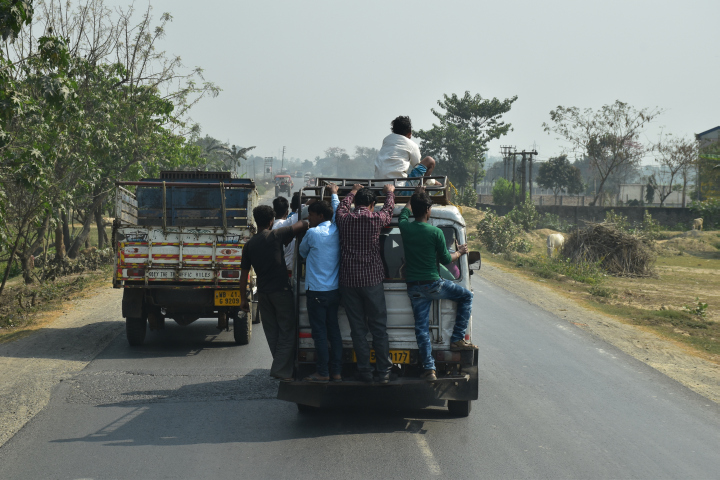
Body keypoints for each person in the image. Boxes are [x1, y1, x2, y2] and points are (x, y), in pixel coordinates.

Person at [398, 186, 477, 382]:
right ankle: (457, 338)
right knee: (467, 296)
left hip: (414, 288)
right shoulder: (435, 232)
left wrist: (414, 197)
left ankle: (429, 368)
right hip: (433, 284)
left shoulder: (405, 227)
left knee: (421, 329)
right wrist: (460, 252)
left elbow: (404, 213)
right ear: (427, 210)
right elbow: (445, 259)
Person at [240, 205, 308, 382]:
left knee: (272, 333)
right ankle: (281, 369)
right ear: (271, 221)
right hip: (281, 292)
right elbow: (301, 224)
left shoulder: (249, 246)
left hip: (263, 294)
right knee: (287, 330)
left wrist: (243, 299)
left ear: (256, 221)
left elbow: (243, 275)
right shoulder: (276, 235)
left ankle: (283, 367)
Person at [336, 183, 395, 384]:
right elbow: (389, 211)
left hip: (349, 281)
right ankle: (384, 371)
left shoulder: (344, 219)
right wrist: (390, 193)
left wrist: (351, 191)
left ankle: (365, 371)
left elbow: (341, 207)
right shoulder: (376, 219)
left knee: (358, 329)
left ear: (356, 203)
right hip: (372, 281)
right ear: (371, 204)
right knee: (378, 327)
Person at [298, 184, 341, 383]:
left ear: (320, 216)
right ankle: (337, 372)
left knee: (320, 334)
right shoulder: (337, 230)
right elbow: (338, 210)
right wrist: (334, 195)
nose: (309, 219)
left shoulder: (312, 234)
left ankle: (322, 372)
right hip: (334, 291)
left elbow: (302, 253)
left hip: (316, 291)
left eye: (312, 215)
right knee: (334, 331)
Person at [375, 115, 438, 184]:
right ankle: (419, 191)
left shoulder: (386, 140)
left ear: (393, 130)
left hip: (379, 186)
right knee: (429, 160)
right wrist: (433, 182)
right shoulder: (411, 145)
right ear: (409, 133)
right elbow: (419, 169)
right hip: (398, 188)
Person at [271, 196, 296, 273]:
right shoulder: (289, 223)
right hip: (290, 268)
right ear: (287, 212)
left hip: (276, 269)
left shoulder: (270, 228)